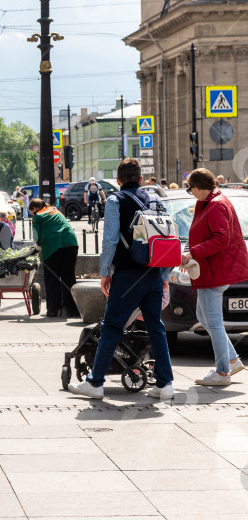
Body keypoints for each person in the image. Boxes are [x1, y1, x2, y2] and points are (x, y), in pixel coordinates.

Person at [68, 157, 174, 400]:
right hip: (154, 273)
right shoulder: (156, 199)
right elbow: (168, 237)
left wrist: (104, 272)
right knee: (155, 326)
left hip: (127, 275)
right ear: (141, 179)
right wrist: (165, 274)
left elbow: (110, 240)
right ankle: (165, 384)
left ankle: (95, 383)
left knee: (112, 326)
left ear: (118, 180)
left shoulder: (116, 199)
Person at [183, 168, 248, 385]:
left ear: (199, 188)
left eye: (190, 188)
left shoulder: (216, 204)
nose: (190, 192)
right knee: (204, 317)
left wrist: (194, 253)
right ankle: (232, 359)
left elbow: (222, 238)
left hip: (215, 271)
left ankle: (222, 372)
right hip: (211, 270)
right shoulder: (210, 202)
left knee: (213, 321)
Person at [29, 198, 80, 317]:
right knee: (69, 277)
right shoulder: (55, 210)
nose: (32, 214)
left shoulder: (38, 216)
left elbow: (37, 237)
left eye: (31, 212)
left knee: (52, 278)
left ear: (35, 209)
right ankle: (71, 309)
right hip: (70, 243)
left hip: (52, 246)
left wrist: (36, 248)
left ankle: (53, 310)